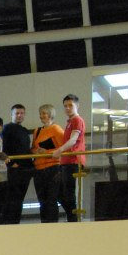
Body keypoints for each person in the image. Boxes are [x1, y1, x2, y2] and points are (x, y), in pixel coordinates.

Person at [53, 94, 87, 222]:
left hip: (73, 160)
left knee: (68, 192)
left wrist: (60, 150)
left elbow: (73, 140)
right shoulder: (70, 122)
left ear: (77, 106)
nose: (67, 108)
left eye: (70, 105)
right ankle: (72, 216)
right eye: (65, 106)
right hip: (66, 161)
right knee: (60, 191)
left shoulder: (77, 120)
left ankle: (73, 218)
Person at [30, 103, 66, 223]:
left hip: (53, 167)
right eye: (40, 114)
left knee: (51, 199)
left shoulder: (56, 129)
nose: (41, 116)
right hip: (39, 169)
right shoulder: (37, 131)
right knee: (42, 200)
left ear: (50, 115)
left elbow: (63, 148)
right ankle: (44, 224)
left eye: (44, 113)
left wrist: (47, 152)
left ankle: (52, 225)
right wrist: (36, 151)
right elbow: (33, 148)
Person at [0, 103, 34, 224]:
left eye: (22, 113)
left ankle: (15, 223)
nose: (19, 115)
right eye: (17, 113)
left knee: (19, 199)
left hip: (26, 169)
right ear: (12, 115)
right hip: (14, 169)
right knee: (12, 198)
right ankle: (8, 224)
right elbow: (3, 148)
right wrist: (11, 164)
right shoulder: (6, 129)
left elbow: (26, 149)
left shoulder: (24, 130)